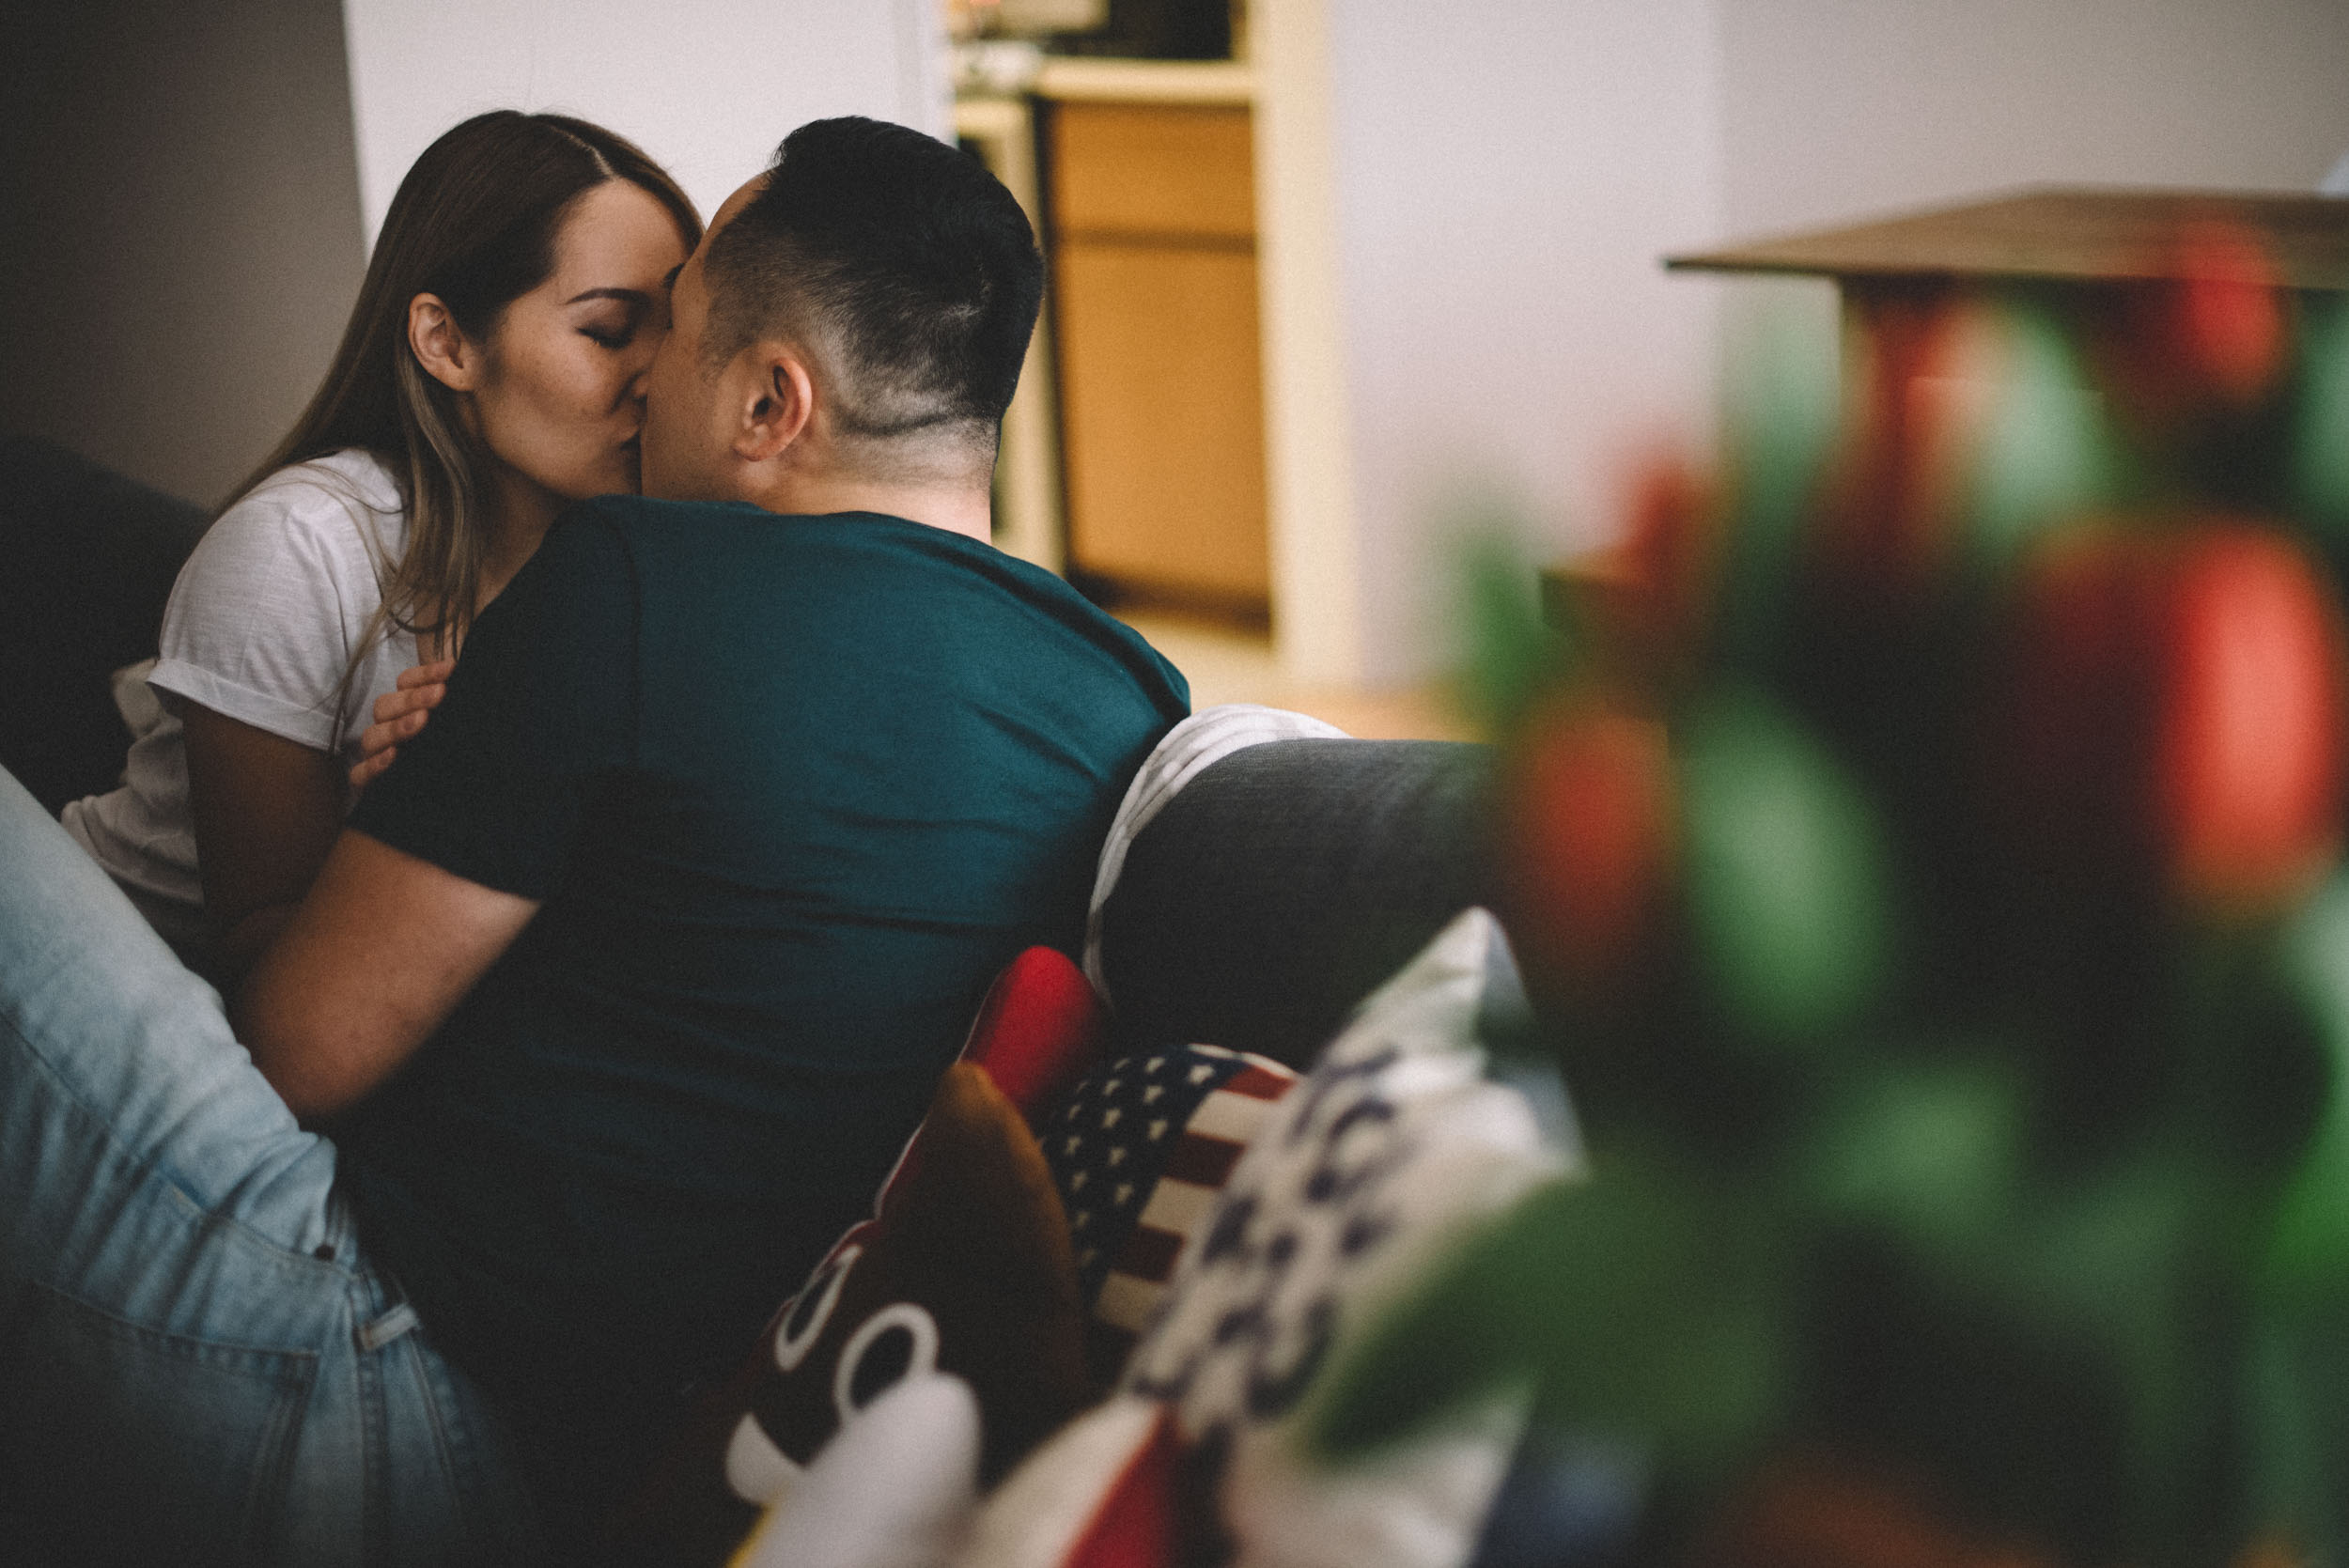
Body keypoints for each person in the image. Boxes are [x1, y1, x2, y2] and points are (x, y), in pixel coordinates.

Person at [0, 116, 1188, 1564]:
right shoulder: (1124, 693)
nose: (645, 386)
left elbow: (294, 1052)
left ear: (768, 404)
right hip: (621, 1436)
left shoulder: (626, 583)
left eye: (674, 332)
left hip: (364, 1363)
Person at [58, 110, 699, 983]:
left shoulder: (661, 564)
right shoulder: (298, 548)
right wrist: (416, 809)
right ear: (447, 343)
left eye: (679, 331)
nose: (658, 375)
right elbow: (256, 954)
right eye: (609, 332)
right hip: (104, 973)